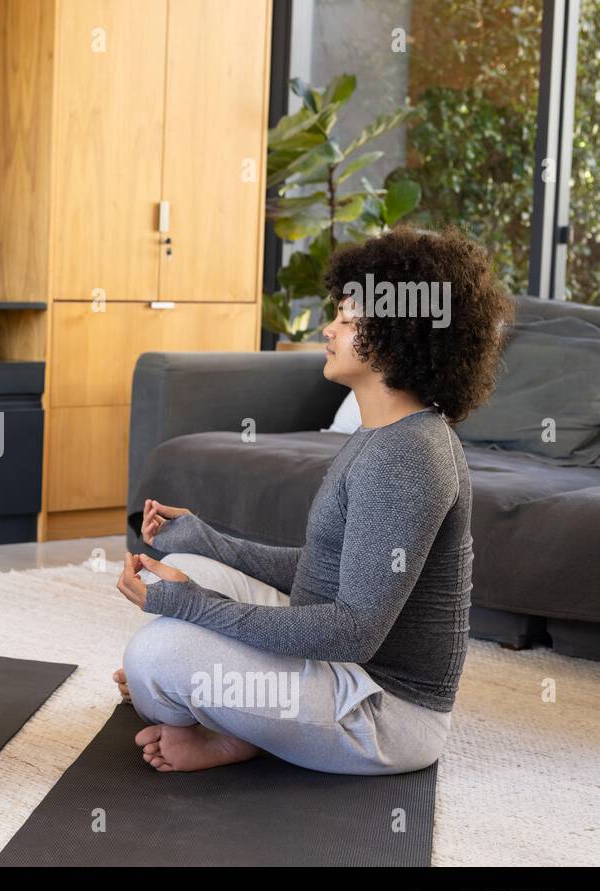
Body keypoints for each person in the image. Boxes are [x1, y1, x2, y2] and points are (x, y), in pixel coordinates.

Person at [113, 226, 511, 775]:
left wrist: (194, 610)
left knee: (155, 655)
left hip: (383, 712)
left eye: (347, 321)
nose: (329, 329)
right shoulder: (383, 433)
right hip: (337, 668)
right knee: (179, 568)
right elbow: (320, 572)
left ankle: (227, 725)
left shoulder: (409, 455)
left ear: (398, 337)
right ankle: (225, 713)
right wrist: (206, 539)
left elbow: (353, 631)